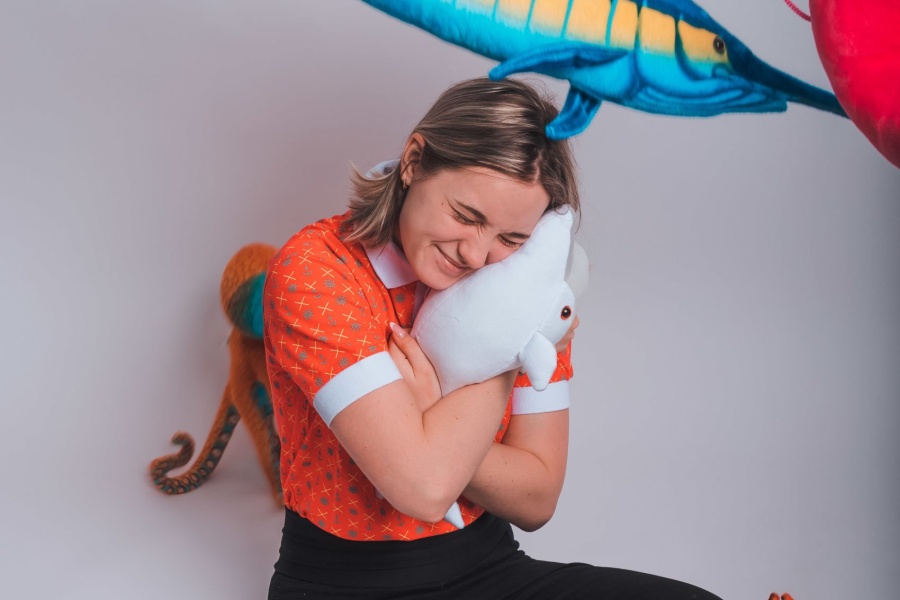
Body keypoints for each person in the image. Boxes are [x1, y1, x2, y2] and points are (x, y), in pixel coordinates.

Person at [263, 77, 721, 599]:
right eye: (465, 216)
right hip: (343, 583)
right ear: (414, 161)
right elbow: (424, 488)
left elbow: (537, 498)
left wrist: (434, 413)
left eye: (511, 238)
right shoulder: (317, 270)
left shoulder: (530, 290)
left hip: (490, 568)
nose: (477, 256)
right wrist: (506, 342)